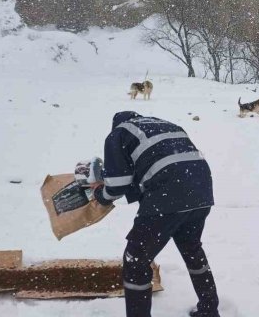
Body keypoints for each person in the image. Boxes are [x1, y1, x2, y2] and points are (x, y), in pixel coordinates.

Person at [93, 111, 220, 317]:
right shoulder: (165, 125)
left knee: (136, 260)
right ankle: (209, 309)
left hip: (169, 194)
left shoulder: (118, 133)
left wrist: (100, 194)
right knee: (192, 248)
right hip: (201, 189)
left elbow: (118, 184)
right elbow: (159, 165)